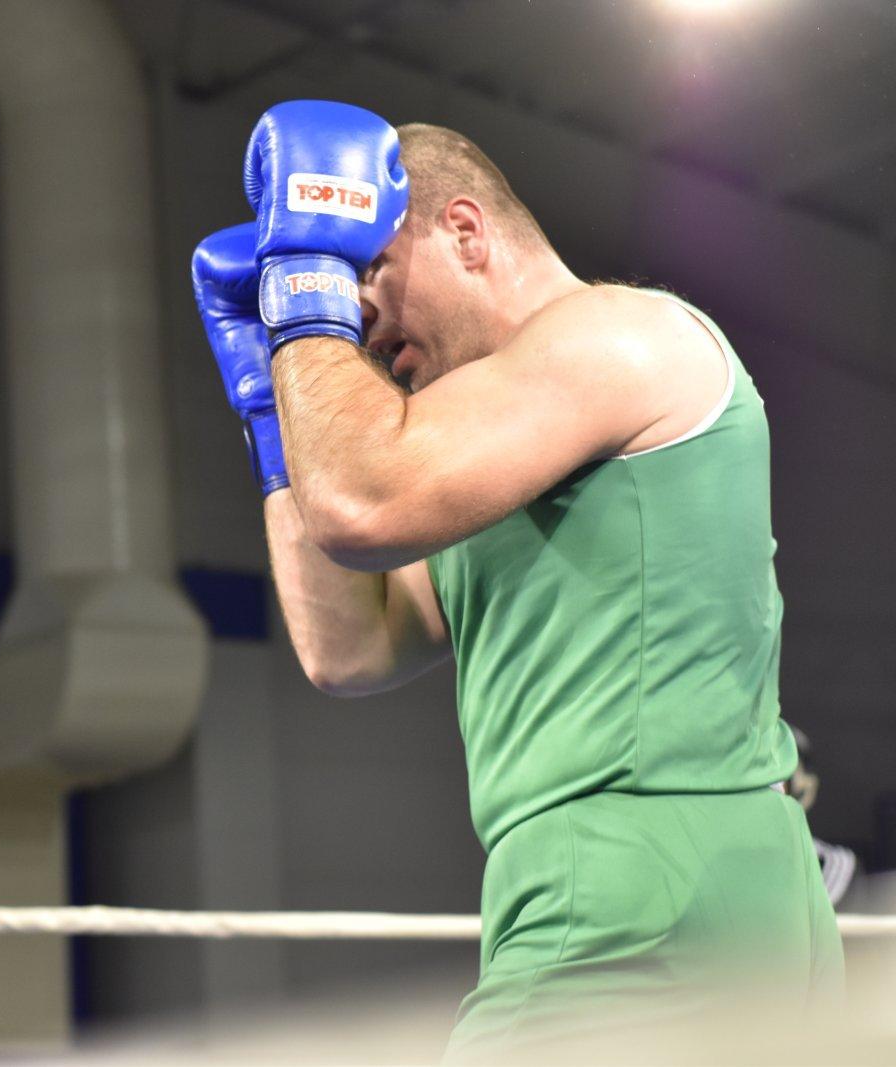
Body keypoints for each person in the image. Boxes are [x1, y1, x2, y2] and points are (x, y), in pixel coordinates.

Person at [193, 100, 842, 1060]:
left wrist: (300, 286)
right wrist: (267, 409)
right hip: (629, 895)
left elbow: (363, 505)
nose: (357, 325)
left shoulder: (619, 334)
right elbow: (349, 646)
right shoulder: (489, 456)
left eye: (365, 269)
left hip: (645, 893)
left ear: (464, 230)